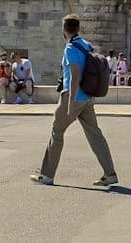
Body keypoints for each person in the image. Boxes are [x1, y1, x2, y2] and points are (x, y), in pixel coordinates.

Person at [33, 14, 118, 187]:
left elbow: (74, 76)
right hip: (87, 97)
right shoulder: (86, 45)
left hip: (74, 96)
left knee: (57, 131)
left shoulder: (70, 48)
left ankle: (47, 175)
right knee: (95, 134)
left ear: (64, 30)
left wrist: (70, 103)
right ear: (78, 29)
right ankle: (110, 173)